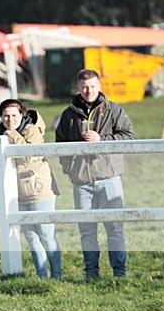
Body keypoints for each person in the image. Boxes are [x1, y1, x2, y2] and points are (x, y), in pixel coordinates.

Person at [55, 69, 134, 279]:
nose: (88, 91)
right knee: (87, 230)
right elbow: (59, 145)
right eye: (84, 87)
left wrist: (102, 140)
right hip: (81, 182)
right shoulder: (68, 114)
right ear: (78, 88)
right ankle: (91, 273)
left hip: (109, 178)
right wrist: (70, 170)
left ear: (99, 86)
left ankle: (119, 272)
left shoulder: (114, 110)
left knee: (114, 228)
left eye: (92, 86)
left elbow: (128, 138)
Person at [0, 99, 62, 279]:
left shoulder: (32, 130)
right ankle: (42, 276)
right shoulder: (1, 135)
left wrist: (11, 134)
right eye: (6, 116)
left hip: (40, 191)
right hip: (17, 193)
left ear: (22, 115)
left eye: (14, 115)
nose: (10, 119)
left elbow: (28, 154)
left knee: (47, 235)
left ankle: (57, 276)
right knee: (32, 238)